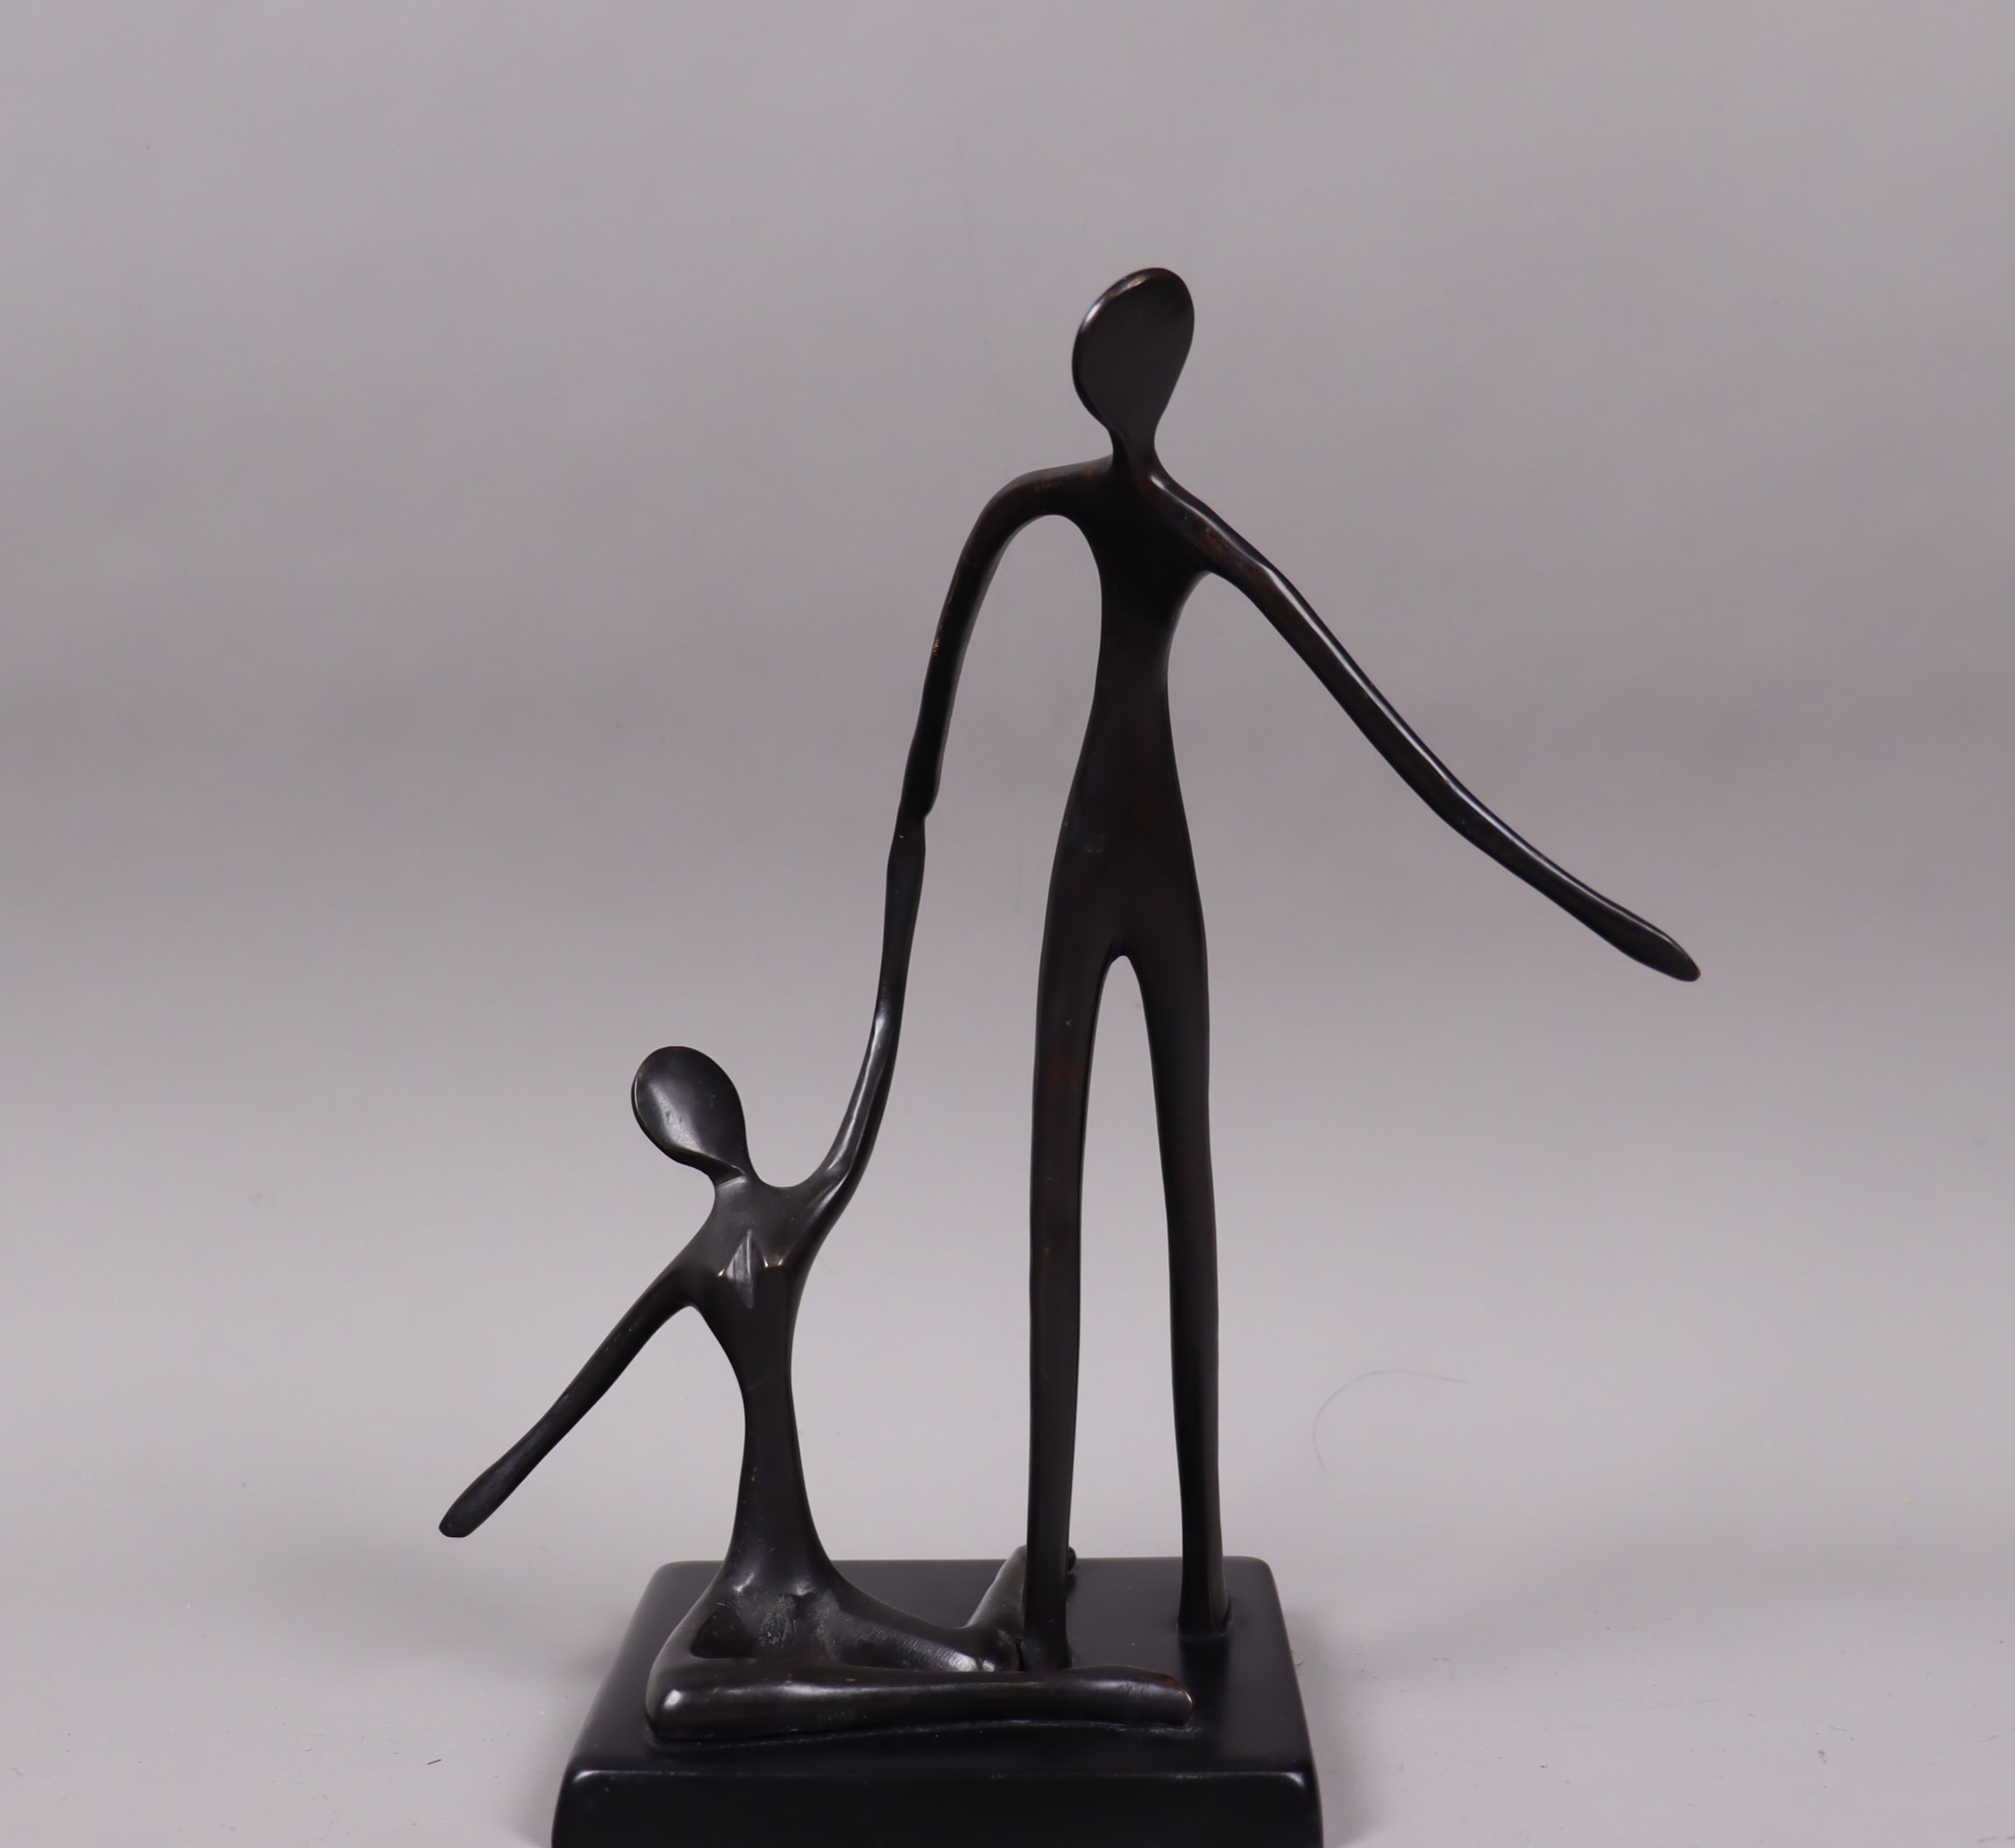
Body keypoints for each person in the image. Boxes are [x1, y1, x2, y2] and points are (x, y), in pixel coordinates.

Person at [898, 269, 1699, 1668]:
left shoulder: (1136, 521)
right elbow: (927, 741)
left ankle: (1196, 1579)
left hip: (1132, 870)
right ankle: (1056, 1593)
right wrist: (902, 863)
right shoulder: (1048, 506)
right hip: (1108, 871)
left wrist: (1551, 878)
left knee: (1174, 1193)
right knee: (1062, 1206)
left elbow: (1390, 739)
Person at [441, 821, 1189, 1737]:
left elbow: (874, 1073)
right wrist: (903, 886)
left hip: (792, 1574)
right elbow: (581, 1391)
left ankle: (1023, 1653)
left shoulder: (739, 1239)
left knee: (897, 1671)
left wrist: (908, 867)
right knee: (680, 1699)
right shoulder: (753, 1231)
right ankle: (1024, 1656)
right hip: (756, 1577)